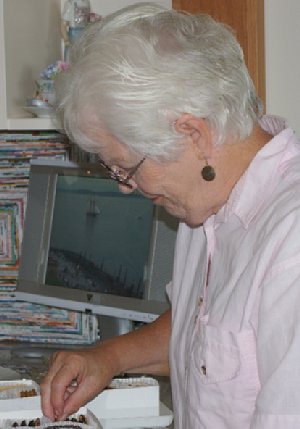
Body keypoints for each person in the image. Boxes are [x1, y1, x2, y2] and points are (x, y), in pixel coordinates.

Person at [40, 3, 300, 428]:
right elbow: (207, 333)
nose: (126, 185)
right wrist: (108, 358)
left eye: (128, 167)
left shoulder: (291, 243)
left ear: (192, 133)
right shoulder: (207, 202)